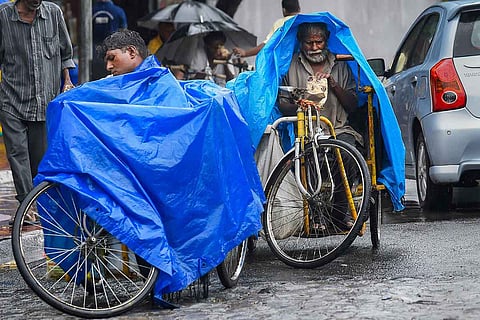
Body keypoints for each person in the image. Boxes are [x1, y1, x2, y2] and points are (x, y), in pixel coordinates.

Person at [278, 22, 361, 230]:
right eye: (309, 43)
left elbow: (352, 105)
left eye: (319, 42)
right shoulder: (290, 66)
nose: (315, 47)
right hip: (306, 131)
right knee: (307, 159)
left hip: (338, 129)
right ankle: (316, 214)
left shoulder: (340, 65)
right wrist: (300, 103)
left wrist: (332, 84)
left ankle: (340, 214)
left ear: (326, 41)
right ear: (301, 43)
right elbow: (281, 104)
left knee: (348, 156)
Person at [0, 0, 75, 223]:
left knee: (40, 159)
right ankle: (26, 206)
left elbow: (66, 53)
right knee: (17, 155)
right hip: (11, 99)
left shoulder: (53, 13)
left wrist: (67, 81)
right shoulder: (3, 16)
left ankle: (41, 205)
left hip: (45, 100)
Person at [233, 0, 300, 58]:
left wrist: (245, 53)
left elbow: (267, 45)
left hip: (285, 65)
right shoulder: (306, 22)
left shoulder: (281, 23)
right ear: (299, 9)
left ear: (284, 10)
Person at [92, 0, 128, 80]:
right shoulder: (118, 11)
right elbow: (124, 34)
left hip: (93, 53)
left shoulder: (90, 11)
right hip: (113, 54)